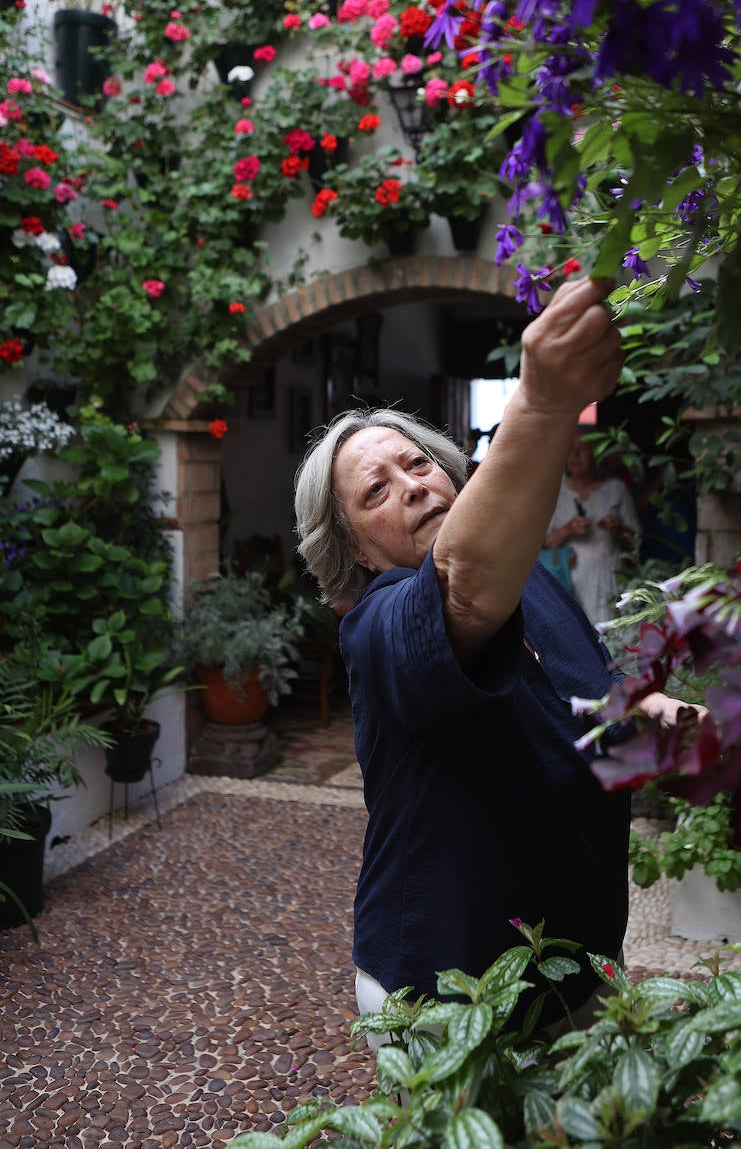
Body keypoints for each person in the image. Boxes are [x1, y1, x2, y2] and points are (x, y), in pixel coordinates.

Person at [293, 276, 700, 1030]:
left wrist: (661, 712)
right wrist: (542, 403)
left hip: (582, 963)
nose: (412, 487)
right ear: (351, 548)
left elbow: (597, 690)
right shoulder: (377, 628)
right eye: (375, 492)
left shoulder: (531, 581)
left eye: (417, 465)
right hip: (453, 997)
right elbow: (463, 590)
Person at [543, 435, 641, 626]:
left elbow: (636, 543)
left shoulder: (616, 489)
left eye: (583, 449)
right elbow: (543, 544)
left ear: (596, 455)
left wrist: (618, 529)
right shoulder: (555, 491)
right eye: (570, 450)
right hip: (568, 584)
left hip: (608, 581)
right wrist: (567, 530)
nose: (575, 455)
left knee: (609, 637)